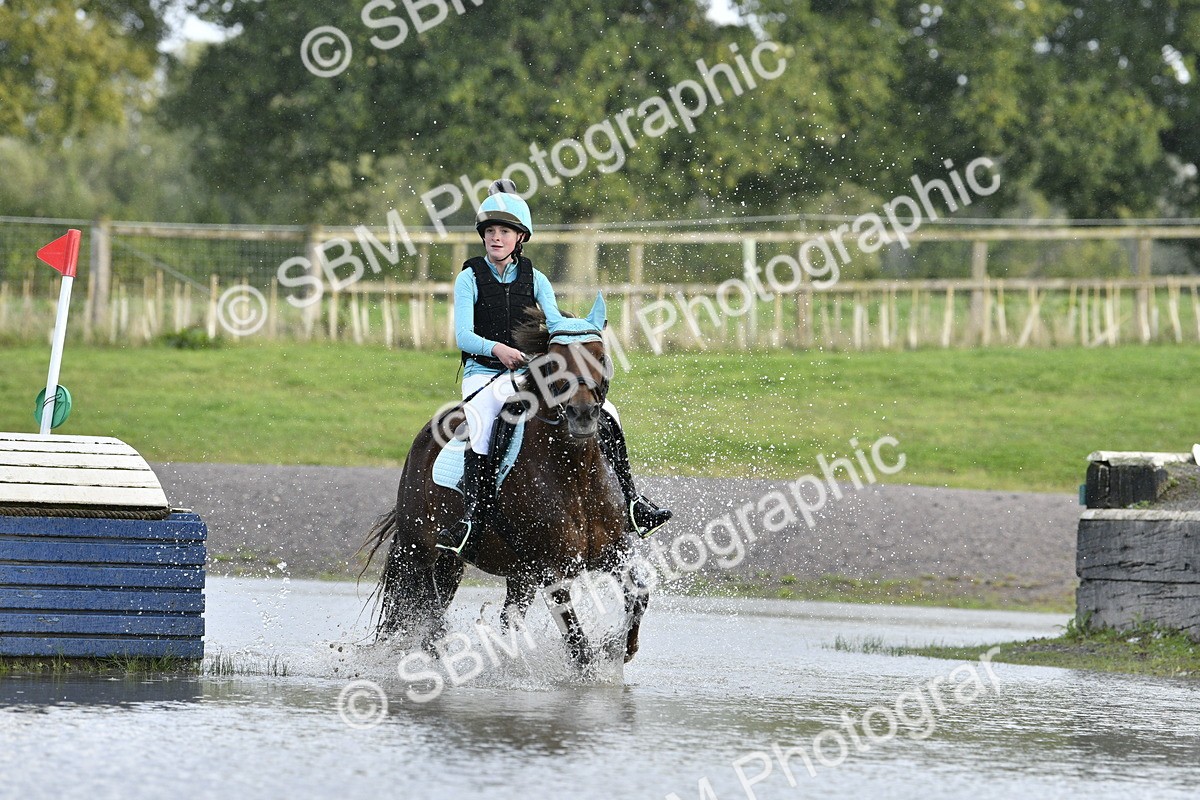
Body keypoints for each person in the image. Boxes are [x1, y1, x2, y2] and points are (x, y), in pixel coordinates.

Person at [437, 179, 672, 555]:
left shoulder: (537, 279)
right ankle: (473, 519)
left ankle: (632, 502)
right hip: (484, 373)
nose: (496, 238)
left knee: (608, 412)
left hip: (530, 371)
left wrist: (580, 337)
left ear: (520, 238)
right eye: (491, 231)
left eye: (505, 232)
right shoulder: (470, 278)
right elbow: (463, 336)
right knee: (482, 419)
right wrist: (498, 349)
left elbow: (555, 324)